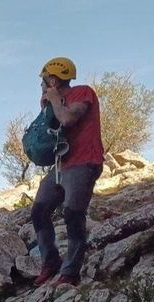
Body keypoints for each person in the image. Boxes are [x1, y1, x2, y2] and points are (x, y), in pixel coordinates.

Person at [31, 57, 104, 287]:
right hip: (61, 165)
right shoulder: (54, 103)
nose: (41, 87)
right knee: (39, 211)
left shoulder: (83, 92)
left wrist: (53, 100)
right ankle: (50, 261)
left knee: (72, 212)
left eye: (43, 82)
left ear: (52, 80)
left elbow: (69, 118)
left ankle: (70, 271)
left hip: (84, 163)